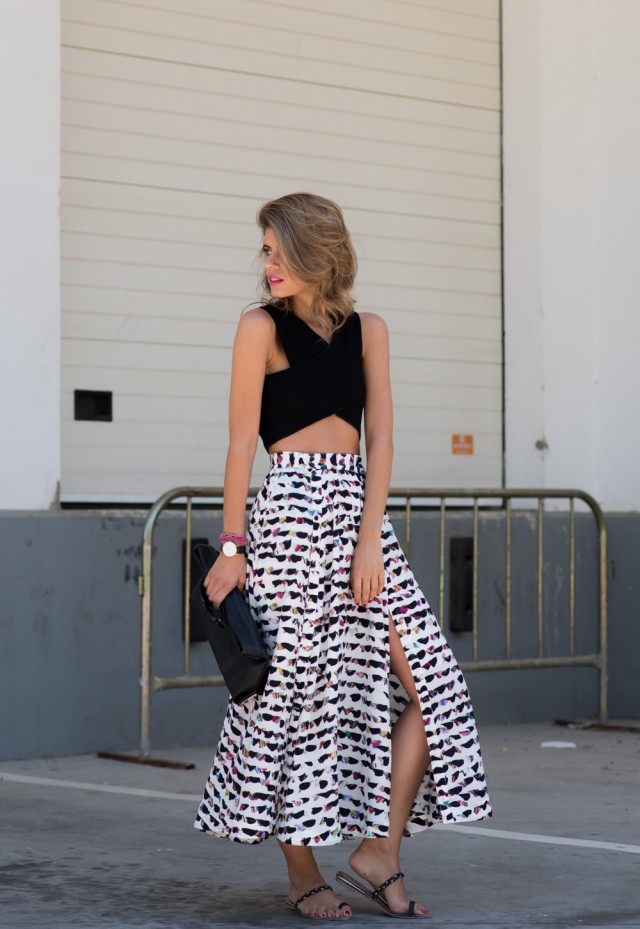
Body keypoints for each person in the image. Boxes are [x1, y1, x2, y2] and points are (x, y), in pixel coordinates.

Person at [194, 192, 491, 920]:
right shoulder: (257, 328)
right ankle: (303, 871)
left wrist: (368, 536)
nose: (266, 265)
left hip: (360, 521)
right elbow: (240, 443)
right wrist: (233, 546)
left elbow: (381, 440)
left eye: (276, 250)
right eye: (262, 251)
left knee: (435, 684)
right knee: (289, 696)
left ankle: (379, 849)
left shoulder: (370, 331)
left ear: (316, 250)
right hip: (288, 517)